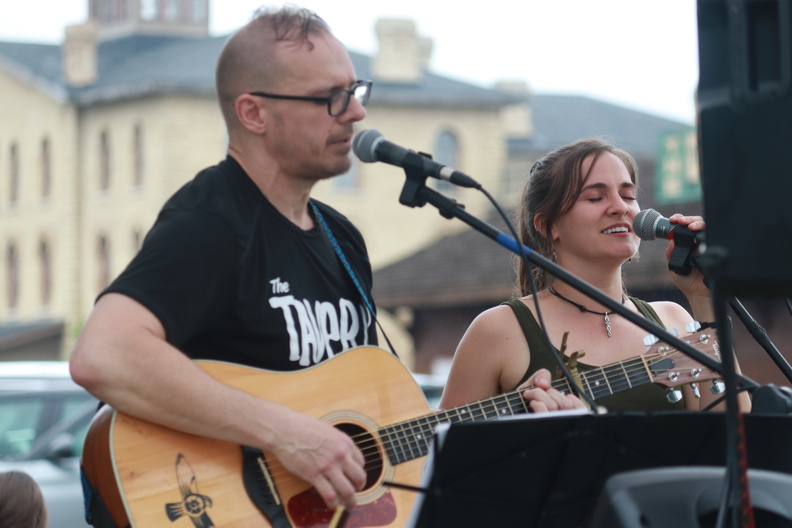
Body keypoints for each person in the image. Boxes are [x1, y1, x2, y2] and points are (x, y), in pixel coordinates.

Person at [69, 5, 567, 522]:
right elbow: (104, 354)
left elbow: (367, 421)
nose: (355, 113)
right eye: (330, 97)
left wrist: (516, 419)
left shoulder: (342, 239)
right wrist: (284, 433)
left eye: (355, 91)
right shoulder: (214, 220)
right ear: (253, 113)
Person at [439, 138, 752, 413]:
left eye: (628, 196)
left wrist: (703, 299)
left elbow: (731, 433)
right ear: (548, 225)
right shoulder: (499, 330)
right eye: (595, 197)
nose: (620, 208)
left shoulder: (673, 319)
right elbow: (443, 455)